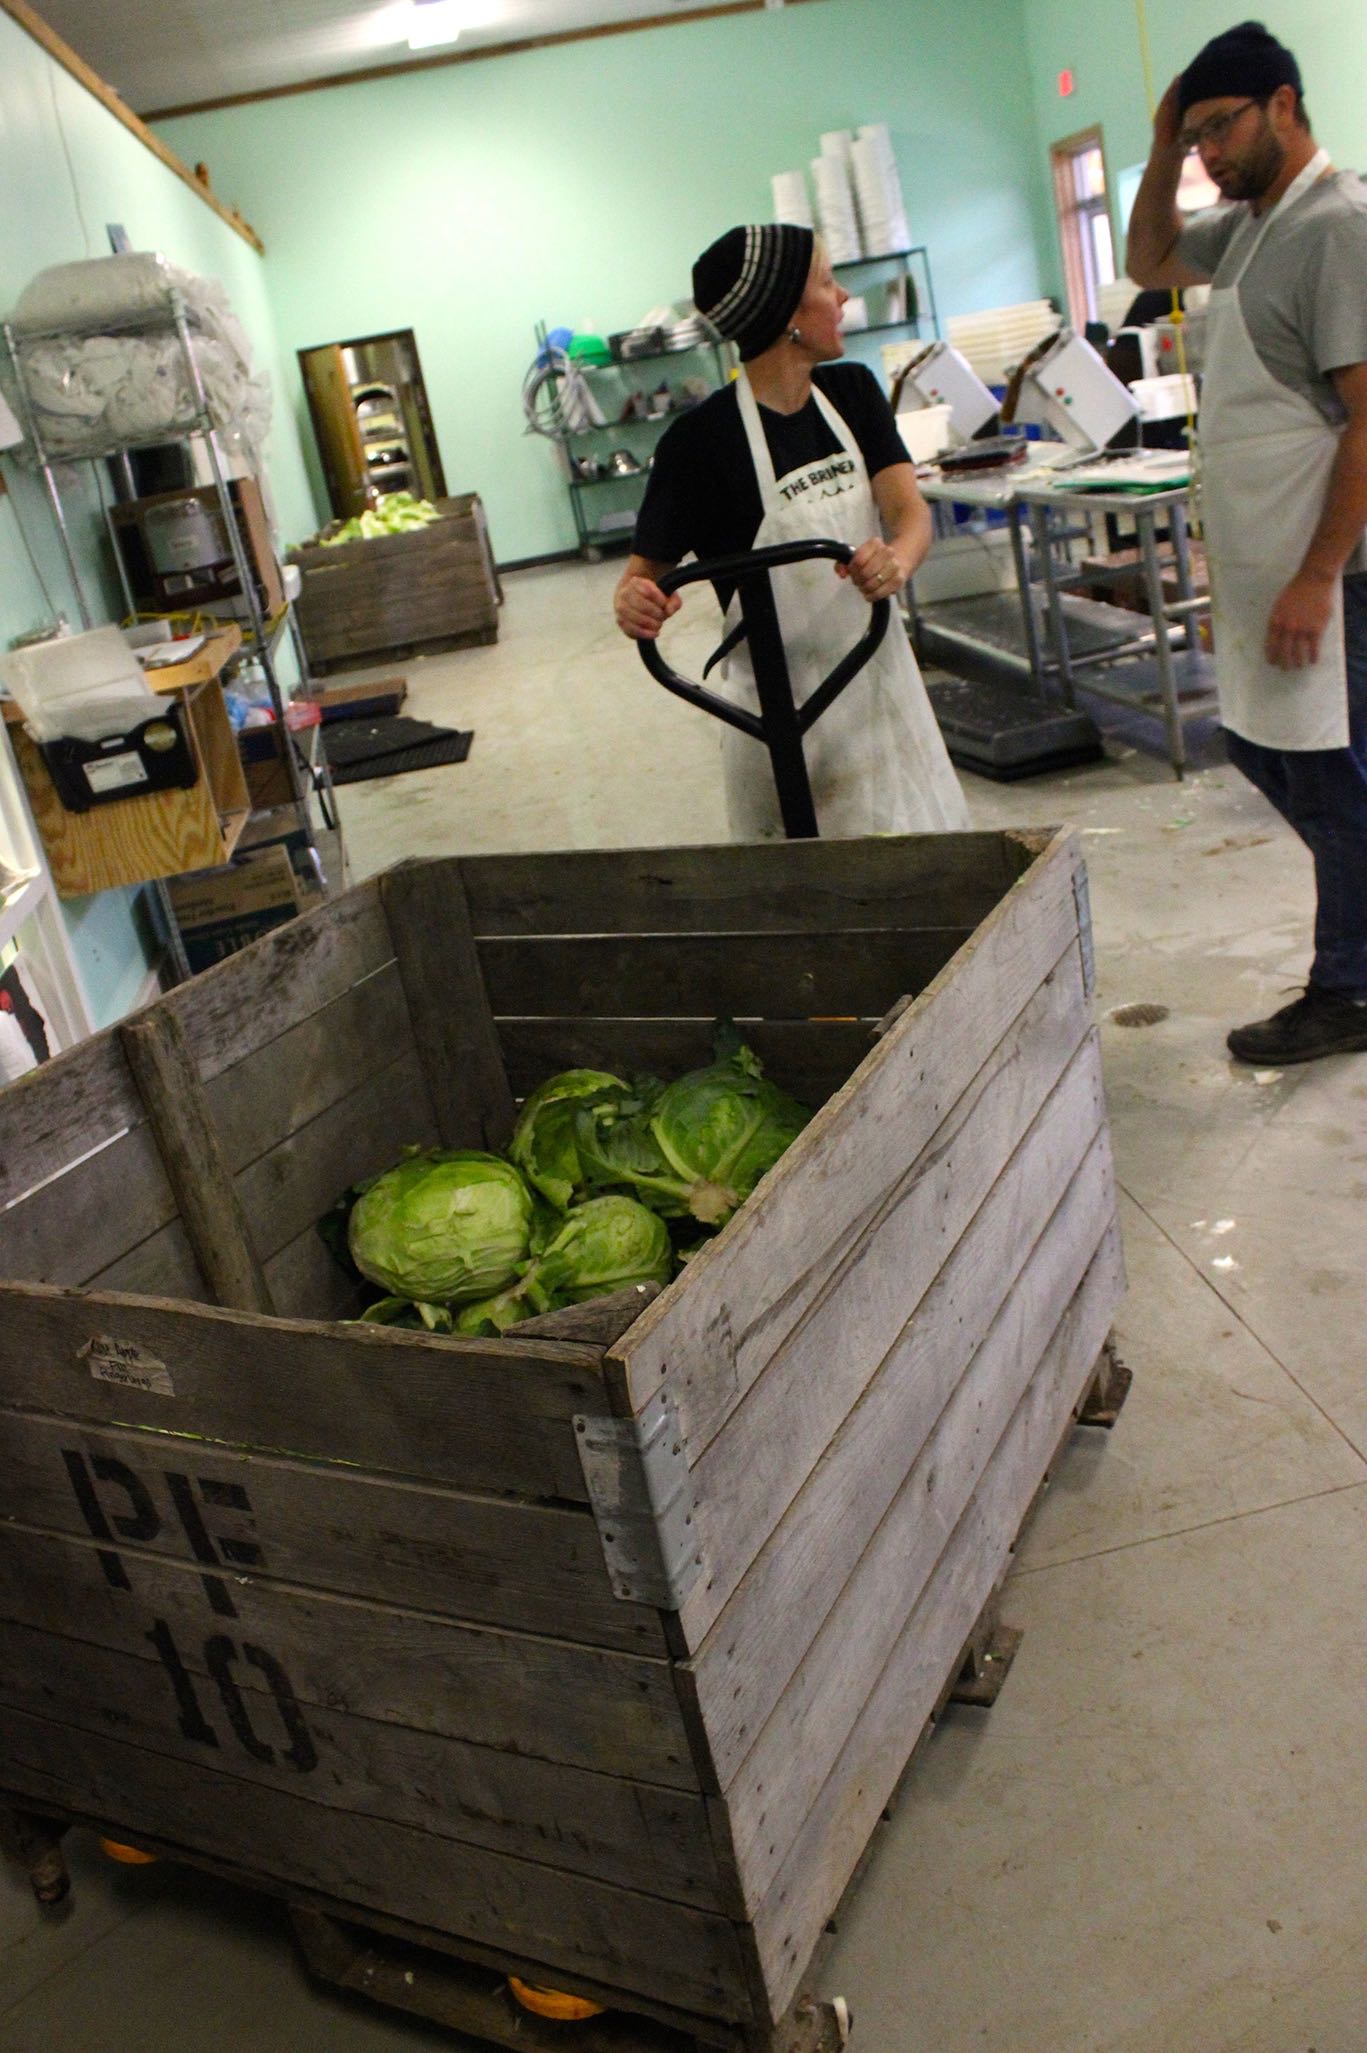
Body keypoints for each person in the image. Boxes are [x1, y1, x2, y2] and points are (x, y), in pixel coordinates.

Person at [1127, 20, 1367, 1064]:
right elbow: (1144, 256)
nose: (1208, 157)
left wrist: (1317, 575)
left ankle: (1347, 989)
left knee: (1335, 778)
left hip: (1343, 571)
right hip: (1276, 562)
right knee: (1274, 756)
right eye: (1195, 141)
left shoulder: (1333, 224)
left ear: (1281, 102)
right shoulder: (1255, 226)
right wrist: (1158, 145)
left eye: (1218, 130)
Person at [613, 223, 968, 840]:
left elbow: (909, 515)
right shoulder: (698, 444)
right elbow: (642, 582)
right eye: (829, 283)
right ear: (786, 316)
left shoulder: (853, 394)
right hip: (772, 718)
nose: (845, 298)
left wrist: (897, 562)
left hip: (877, 684)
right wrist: (636, 604)